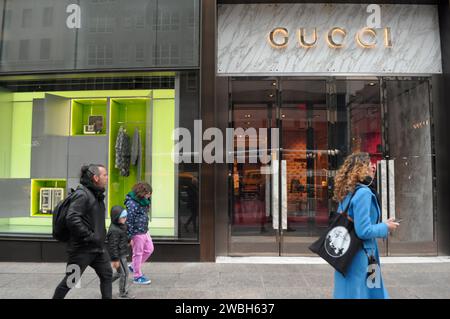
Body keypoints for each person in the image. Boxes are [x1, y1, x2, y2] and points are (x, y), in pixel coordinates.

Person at [333, 153, 399, 299]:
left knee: (349, 292)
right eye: (369, 164)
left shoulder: (348, 192)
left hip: (346, 253)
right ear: (360, 169)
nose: (373, 167)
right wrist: (385, 227)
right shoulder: (363, 193)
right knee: (366, 292)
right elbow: (363, 231)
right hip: (362, 255)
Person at [53, 164, 112, 299]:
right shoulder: (82, 194)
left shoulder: (96, 195)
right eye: (105, 175)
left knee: (107, 275)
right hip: (81, 250)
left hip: (97, 249)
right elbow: (72, 218)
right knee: (71, 281)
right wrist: (90, 236)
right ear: (96, 178)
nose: (107, 177)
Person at [125, 182, 154, 285]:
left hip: (144, 230)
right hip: (137, 232)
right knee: (138, 253)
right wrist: (130, 236)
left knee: (150, 249)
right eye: (149, 193)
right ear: (143, 192)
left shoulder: (144, 201)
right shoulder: (132, 203)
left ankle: (133, 266)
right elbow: (129, 220)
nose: (149, 196)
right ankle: (137, 277)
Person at [106, 206, 135, 299]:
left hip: (122, 252)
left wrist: (129, 239)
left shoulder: (122, 225)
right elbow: (112, 246)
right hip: (119, 255)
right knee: (125, 273)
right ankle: (123, 293)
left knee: (119, 273)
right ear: (116, 217)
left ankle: (105, 283)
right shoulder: (114, 231)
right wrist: (115, 259)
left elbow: (125, 234)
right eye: (123, 217)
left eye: (126, 217)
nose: (125, 219)